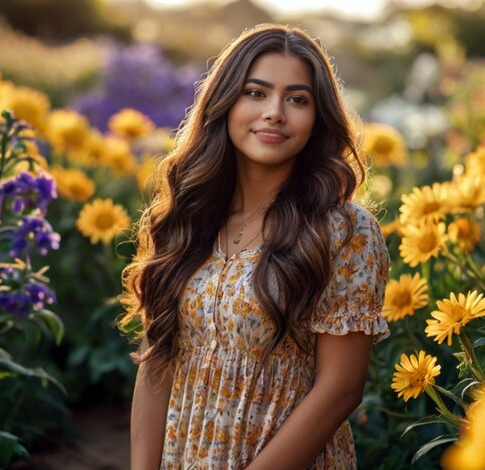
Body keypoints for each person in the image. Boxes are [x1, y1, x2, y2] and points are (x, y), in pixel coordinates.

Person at [120, 23, 390, 469]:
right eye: (256, 93)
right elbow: (157, 362)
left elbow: (340, 389)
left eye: (298, 99)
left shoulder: (344, 230)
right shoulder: (189, 219)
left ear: (317, 117)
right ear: (225, 103)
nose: (275, 112)